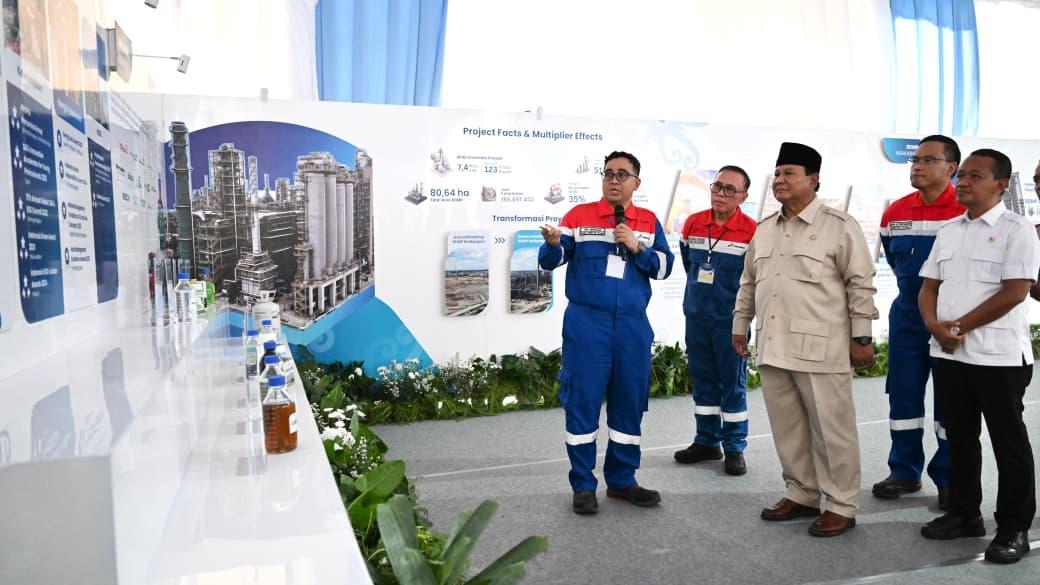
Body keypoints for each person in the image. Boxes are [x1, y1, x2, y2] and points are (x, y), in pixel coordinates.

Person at [731, 142, 878, 537]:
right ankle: (802, 492)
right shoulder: (765, 229)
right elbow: (749, 282)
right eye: (777, 174)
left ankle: (842, 503)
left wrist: (862, 336)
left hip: (821, 346)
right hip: (774, 344)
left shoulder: (838, 226)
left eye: (789, 174)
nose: (779, 180)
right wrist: (740, 324)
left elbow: (860, 283)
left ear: (813, 180)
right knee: (788, 428)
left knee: (832, 430)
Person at [917, 149, 1038, 564]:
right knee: (959, 437)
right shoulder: (950, 230)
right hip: (951, 354)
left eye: (975, 176)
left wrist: (958, 327)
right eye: (962, 175)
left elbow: (1016, 291)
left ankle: (1014, 527)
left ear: (1000, 185)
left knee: (1009, 443)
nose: (963, 182)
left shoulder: (1017, 230)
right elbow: (929, 286)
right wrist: (934, 326)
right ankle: (964, 513)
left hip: (998, 357)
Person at [539, 151, 675, 515]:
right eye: (608, 173)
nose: (614, 180)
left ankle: (622, 480)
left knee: (629, 402)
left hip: (632, 326)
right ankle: (583, 485)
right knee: (582, 401)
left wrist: (637, 247)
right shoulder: (579, 216)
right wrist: (551, 245)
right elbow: (553, 259)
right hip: (588, 325)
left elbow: (664, 269)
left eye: (622, 174)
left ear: (636, 183)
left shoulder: (648, 221)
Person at [873, 135, 964, 508]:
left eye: (929, 160)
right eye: (916, 160)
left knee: (951, 403)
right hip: (907, 319)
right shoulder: (894, 212)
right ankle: (904, 471)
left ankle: (949, 478)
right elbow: (896, 264)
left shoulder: (966, 210)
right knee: (904, 396)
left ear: (951, 168)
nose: (918, 166)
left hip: (953, 321)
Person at [674, 166, 757, 476]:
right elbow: (689, 265)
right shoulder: (693, 224)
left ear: (743, 197)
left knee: (732, 384)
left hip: (731, 322)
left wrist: (742, 320)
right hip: (697, 316)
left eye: (729, 189)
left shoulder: (752, 232)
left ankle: (734, 447)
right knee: (703, 380)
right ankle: (706, 441)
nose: (721, 194)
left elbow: (754, 281)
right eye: (717, 186)